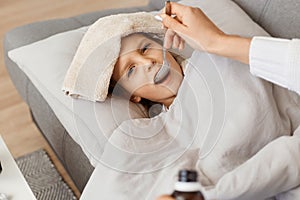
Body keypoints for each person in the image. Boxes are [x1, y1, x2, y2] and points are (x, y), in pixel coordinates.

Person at [155, 2, 300, 200]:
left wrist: (217, 42)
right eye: (130, 70)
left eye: (146, 49)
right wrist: (216, 41)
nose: (148, 64)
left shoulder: (206, 66)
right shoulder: (154, 134)